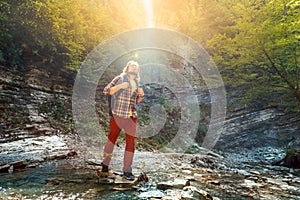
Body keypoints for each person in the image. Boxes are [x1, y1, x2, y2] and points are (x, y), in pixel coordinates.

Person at [101, 60, 144, 180]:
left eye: (136, 67)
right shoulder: (120, 78)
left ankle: (127, 169)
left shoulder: (136, 82)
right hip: (118, 115)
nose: (134, 68)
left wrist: (141, 96)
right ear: (127, 67)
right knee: (111, 139)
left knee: (131, 142)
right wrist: (120, 86)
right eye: (132, 66)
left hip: (131, 116)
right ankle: (105, 165)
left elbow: (135, 102)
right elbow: (106, 90)